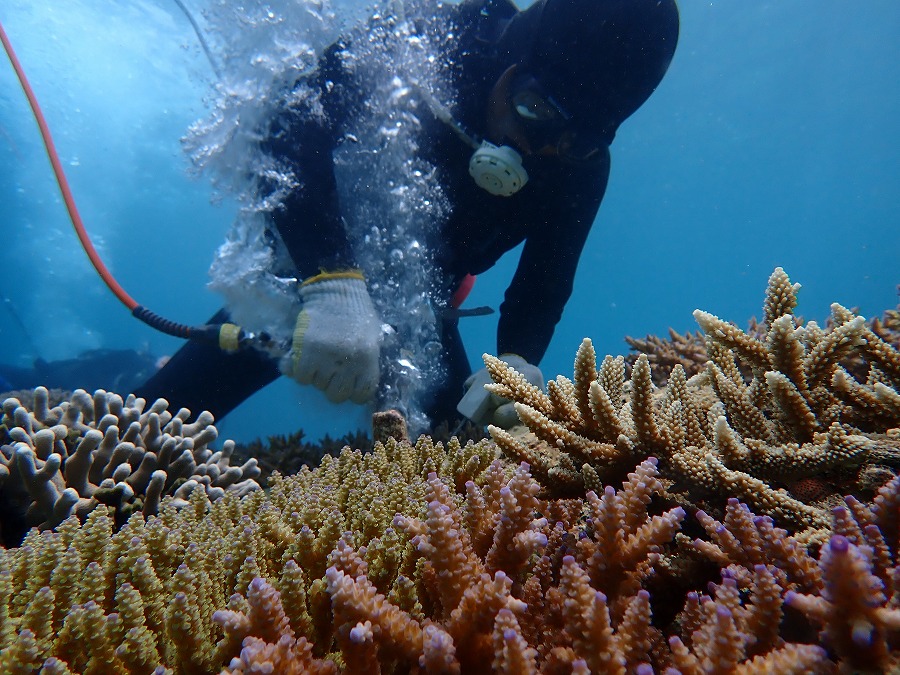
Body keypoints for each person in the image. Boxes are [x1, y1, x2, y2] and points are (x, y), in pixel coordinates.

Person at [136, 0, 679, 429]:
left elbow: (545, 279)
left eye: (573, 141)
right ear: (515, 59)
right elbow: (286, 127)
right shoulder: (438, 42)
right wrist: (331, 283)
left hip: (423, 314)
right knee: (146, 432)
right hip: (309, 275)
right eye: (533, 111)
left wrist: (517, 360)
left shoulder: (582, 168)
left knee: (455, 471)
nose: (536, 149)